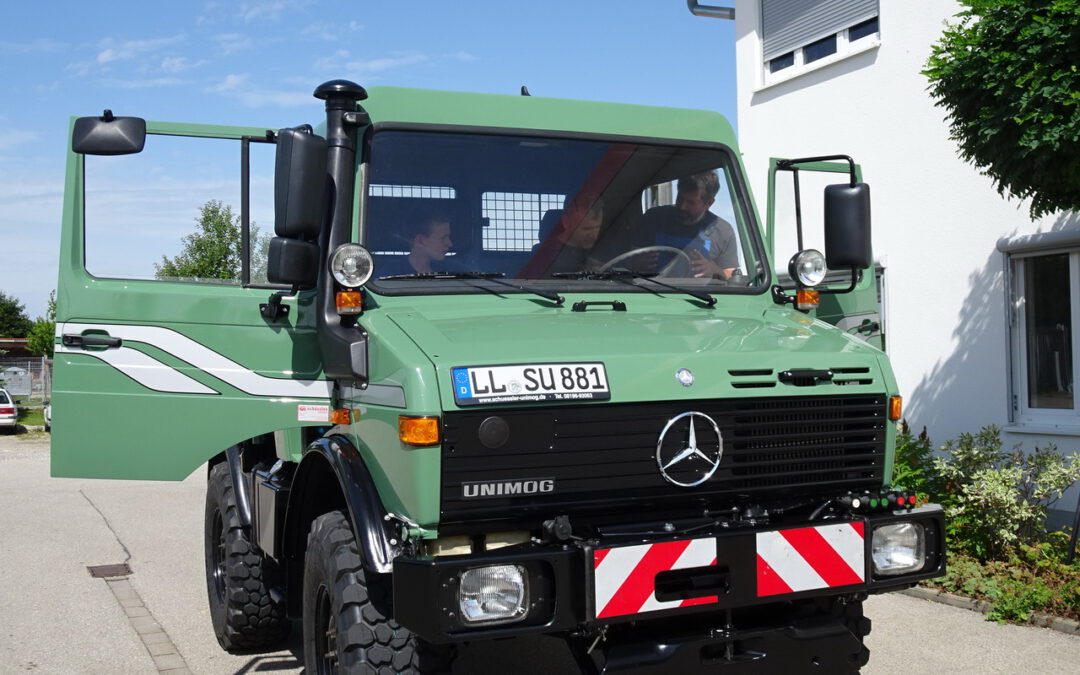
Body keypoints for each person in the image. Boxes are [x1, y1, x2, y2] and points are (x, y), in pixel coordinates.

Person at [641, 171, 739, 280]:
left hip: (699, 295)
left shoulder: (723, 231)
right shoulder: (653, 218)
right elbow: (626, 260)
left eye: (690, 202)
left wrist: (714, 269)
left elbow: (731, 275)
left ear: (709, 203)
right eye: (680, 198)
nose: (682, 206)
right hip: (649, 292)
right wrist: (637, 263)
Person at [520, 195, 604, 277]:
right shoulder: (543, 258)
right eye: (586, 229)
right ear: (566, 222)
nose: (594, 236)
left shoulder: (604, 248)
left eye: (597, 228)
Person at [379, 210, 454, 276]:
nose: (450, 244)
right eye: (443, 238)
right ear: (420, 241)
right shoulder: (389, 274)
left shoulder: (455, 271)